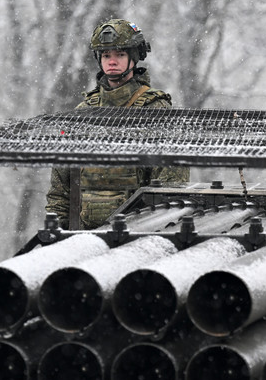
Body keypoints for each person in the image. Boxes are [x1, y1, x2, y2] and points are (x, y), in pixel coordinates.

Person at [45, 18, 189, 229]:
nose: (112, 61)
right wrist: (58, 231)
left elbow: (170, 185)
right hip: (84, 235)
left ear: (134, 57)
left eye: (120, 54)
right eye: (106, 55)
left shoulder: (155, 109)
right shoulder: (82, 112)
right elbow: (60, 188)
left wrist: (155, 232)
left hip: (138, 233)